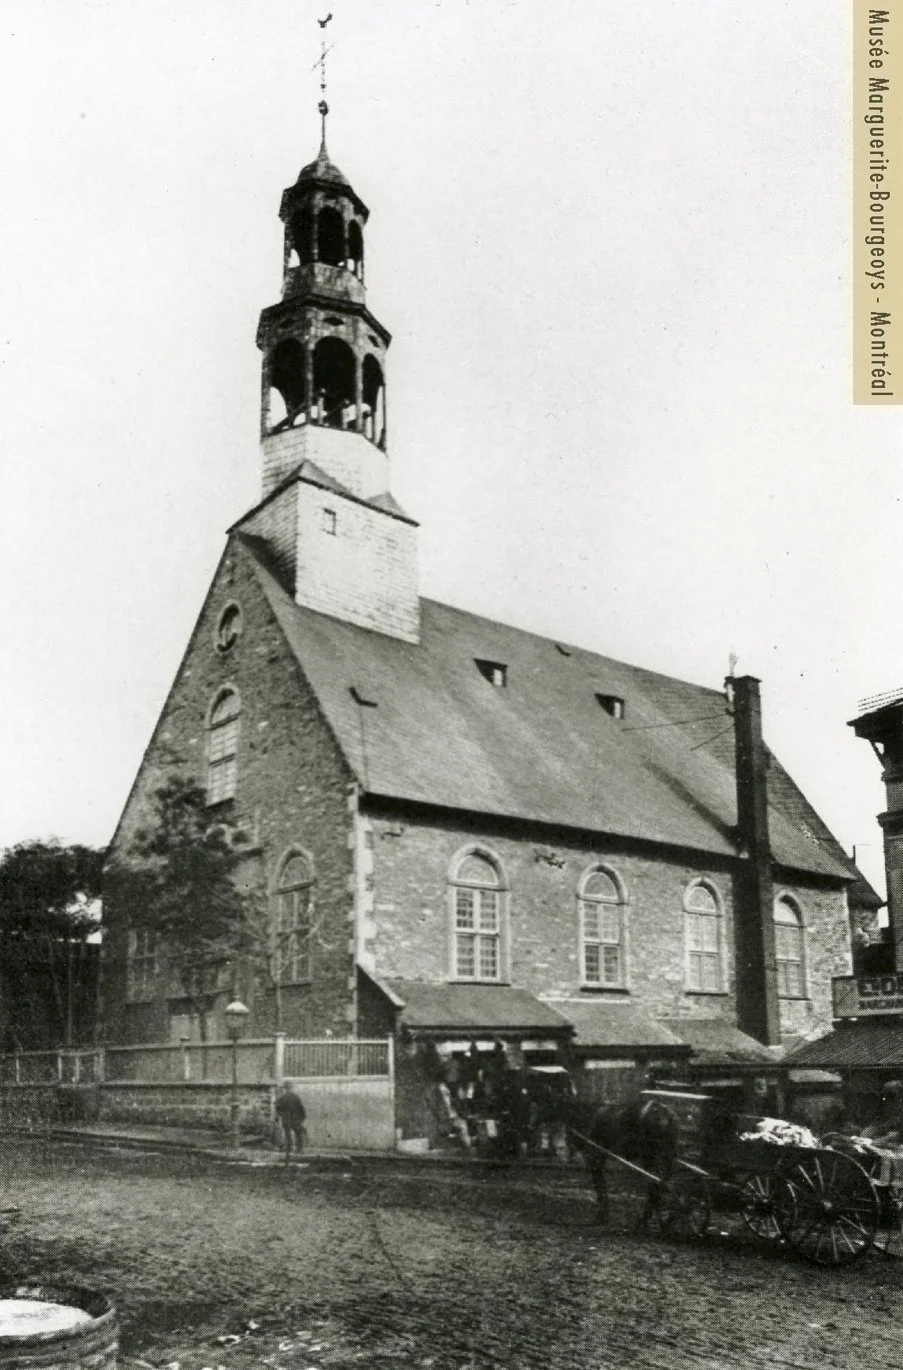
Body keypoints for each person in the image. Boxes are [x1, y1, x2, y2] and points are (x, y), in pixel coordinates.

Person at [275, 1083, 307, 1162]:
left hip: (287, 1119)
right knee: (298, 1133)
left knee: (288, 1134)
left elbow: (277, 1107)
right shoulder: (296, 1097)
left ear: (285, 1089)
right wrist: (302, 1118)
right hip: (296, 1119)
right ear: (291, 1088)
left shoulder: (282, 1098)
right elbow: (301, 1109)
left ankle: (289, 1149)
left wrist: (279, 1115)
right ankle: (299, 1149)